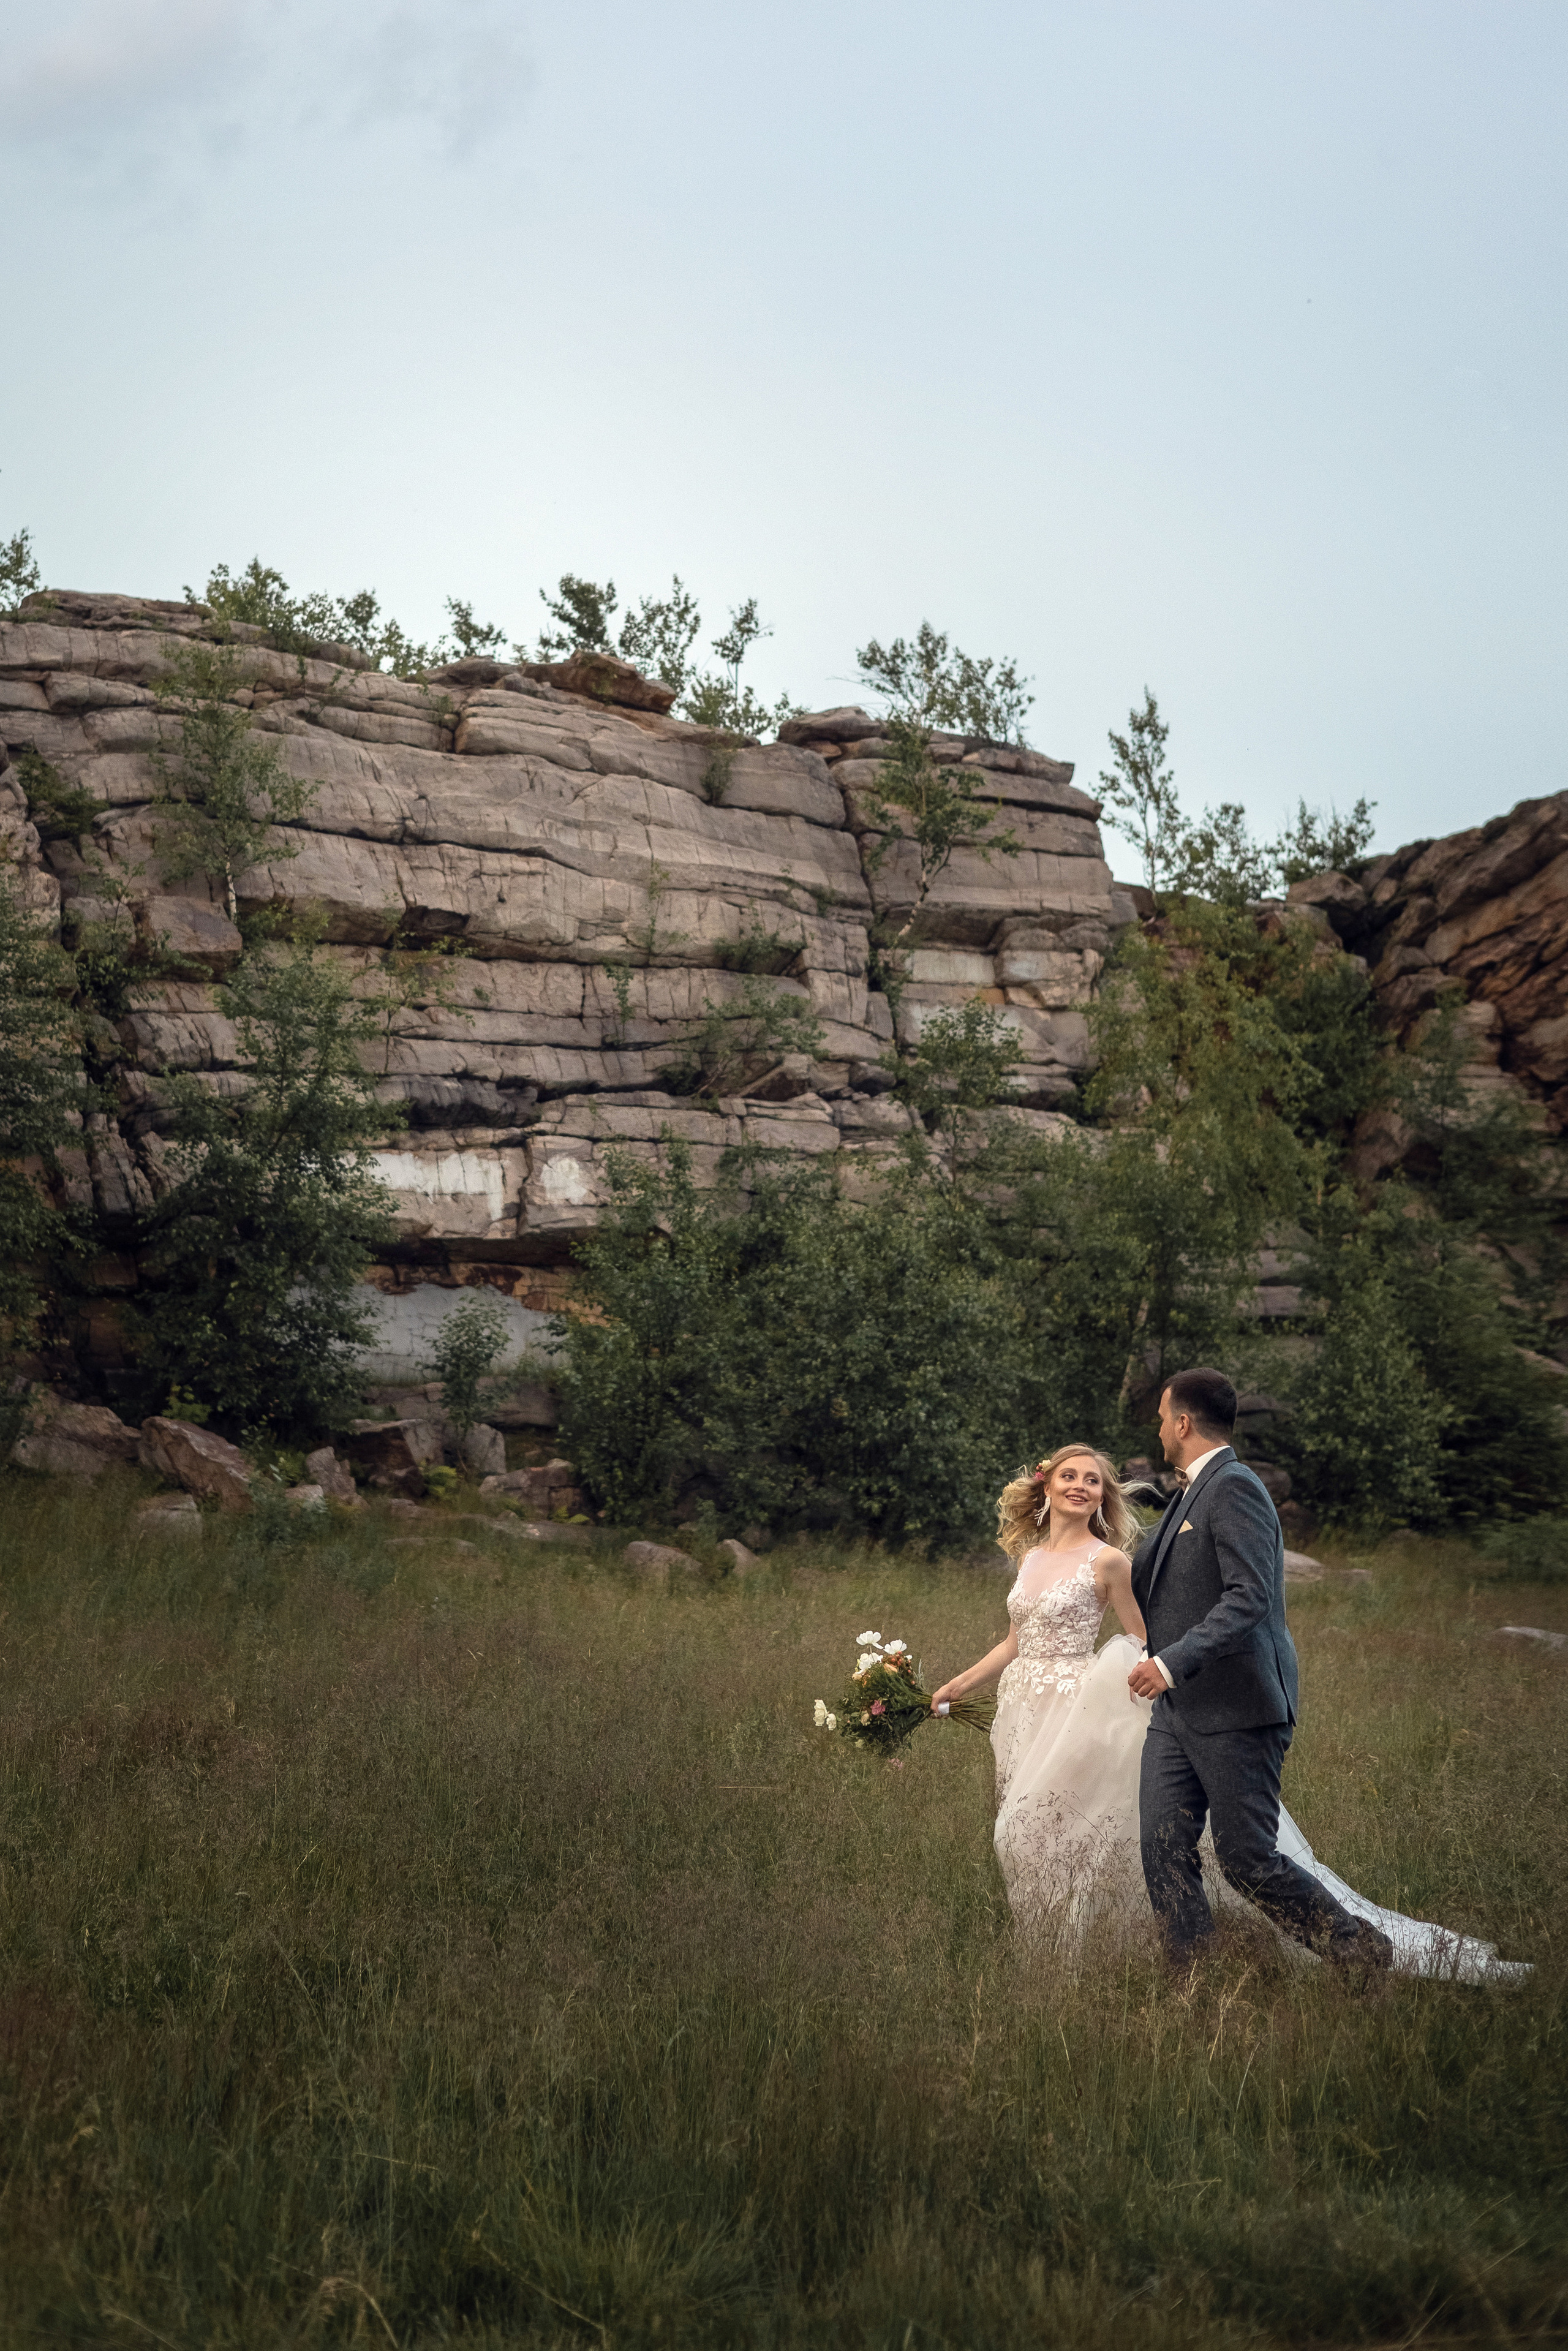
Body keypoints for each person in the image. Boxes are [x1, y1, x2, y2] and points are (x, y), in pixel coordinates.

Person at [929, 1383, 1529, 1981]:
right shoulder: (1184, 1498)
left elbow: (1250, 1597)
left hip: (1233, 1702)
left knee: (1245, 1858)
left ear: (1184, 1421)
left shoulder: (1235, 1487)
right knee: (1162, 1848)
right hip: (1174, 1710)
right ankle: (1190, 1978)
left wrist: (1163, 1663)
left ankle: (1359, 1950)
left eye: (1163, 1417)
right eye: (1069, 1476)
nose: (1158, 1428)